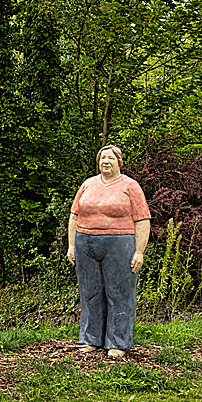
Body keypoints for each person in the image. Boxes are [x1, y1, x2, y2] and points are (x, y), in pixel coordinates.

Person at [67, 145, 151, 358]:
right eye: (102, 158)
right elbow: (74, 216)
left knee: (119, 293)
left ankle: (118, 342)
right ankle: (91, 339)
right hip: (85, 243)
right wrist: (71, 245)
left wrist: (139, 251)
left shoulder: (130, 186)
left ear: (119, 162)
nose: (106, 161)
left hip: (119, 244)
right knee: (90, 292)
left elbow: (142, 220)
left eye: (110, 158)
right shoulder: (88, 185)